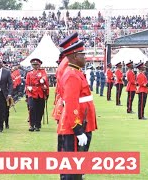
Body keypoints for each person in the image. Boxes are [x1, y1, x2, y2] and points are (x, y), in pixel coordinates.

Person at [58, 40, 97, 180]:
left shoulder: (76, 72)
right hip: (78, 123)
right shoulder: (72, 75)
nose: (85, 57)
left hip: (84, 120)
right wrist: (78, 129)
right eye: (82, 54)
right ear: (74, 56)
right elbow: (71, 103)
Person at [25, 58, 49, 131]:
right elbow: (27, 83)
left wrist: (43, 80)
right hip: (32, 93)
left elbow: (44, 77)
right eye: (34, 65)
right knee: (32, 108)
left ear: (39, 65)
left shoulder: (42, 72)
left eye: (36, 65)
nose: (35, 66)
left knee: (40, 109)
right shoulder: (29, 73)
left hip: (40, 92)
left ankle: (38, 124)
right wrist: (28, 88)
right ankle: (32, 125)